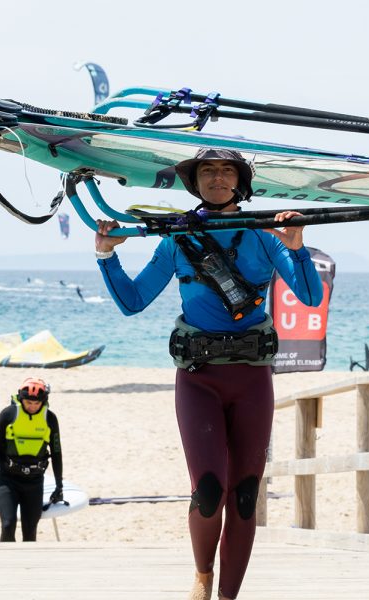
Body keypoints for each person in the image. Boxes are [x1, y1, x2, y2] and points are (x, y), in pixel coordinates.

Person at [94, 148, 323, 600]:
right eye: (207, 171)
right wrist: (106, 256)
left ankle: (229, 596)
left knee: (244, 494)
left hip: (252, 377)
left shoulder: (264, 234)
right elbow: (132, 301)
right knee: (209, 489)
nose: (217, 178)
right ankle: (203, 576)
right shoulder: (178, 238)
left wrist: (296, 249)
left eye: (226, 170)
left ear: (241, 182)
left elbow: (310, 296)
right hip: (198, 379)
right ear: (194, 182)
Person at [0, 378, 63, 542]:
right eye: (28, 402)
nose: (32, 406)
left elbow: (57, 453)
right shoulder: (7, 415)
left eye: (36, 403)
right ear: (21, 399)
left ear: (43, 402)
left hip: (35, 481)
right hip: (8, 480)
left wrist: (59, 486)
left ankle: (26, 567)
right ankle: (5, 565)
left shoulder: (50, 419)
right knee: (8, 525)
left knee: (30, 531)